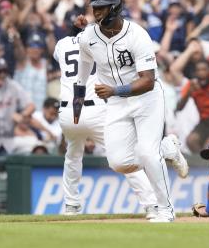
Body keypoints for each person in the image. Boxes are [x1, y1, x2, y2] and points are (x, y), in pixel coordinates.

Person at [73, 0, 185, 222]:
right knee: (118, 162)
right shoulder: (88, 36)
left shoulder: (137, 35)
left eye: (101, 8)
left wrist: (114, 90)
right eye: (94, 8)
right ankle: (166, 149)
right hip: (116, 103)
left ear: (114, 7)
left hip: (146, 99)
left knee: (146, 152)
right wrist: (78, 98)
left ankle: (166, 210)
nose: (96, 12)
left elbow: (148, 82)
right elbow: (82, 69)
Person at [55, 32, 189, 218]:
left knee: (74, 156)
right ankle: (153, 196)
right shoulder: (99, 42)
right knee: (126, 156)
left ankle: (71, 204)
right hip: (94, 107)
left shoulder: (63, 43)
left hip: (70, 108)